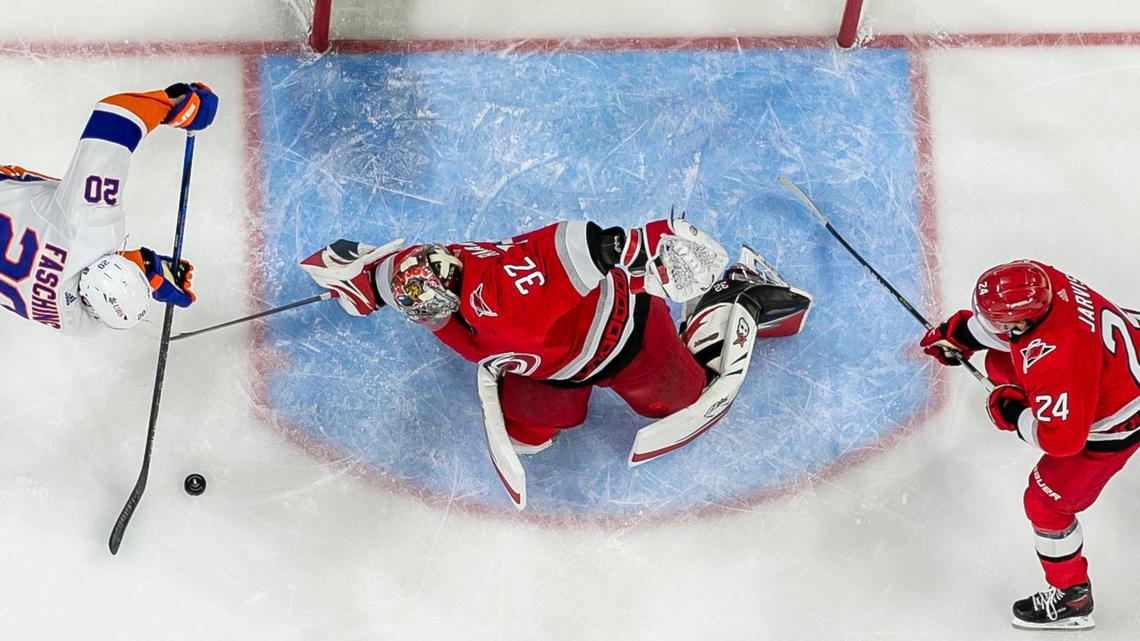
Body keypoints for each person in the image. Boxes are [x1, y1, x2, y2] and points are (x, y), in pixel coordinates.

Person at [300, 217, 812, 506]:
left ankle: (732, 294)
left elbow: (563, 254)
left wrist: (627, 245)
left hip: (622, 338)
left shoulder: (503, 295)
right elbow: (399, 276)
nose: (429, 317)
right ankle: (561, 399)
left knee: (674, 402)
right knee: (528, 435)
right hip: (551, 365)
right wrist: (364, 282)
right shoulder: (434, 273)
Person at [921, 259, 1140, 631]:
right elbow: (1014, 331)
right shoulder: (1040, 279)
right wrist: (958, 334)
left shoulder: (1056, 360)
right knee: (996, 362)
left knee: (1045, 504)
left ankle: (1072, 599)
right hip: (1123, 354)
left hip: (1118, 421)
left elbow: (1062, 440)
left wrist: (1014, 412)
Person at [0, 82, 217, 333]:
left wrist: (175, 104)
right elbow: (66, 273)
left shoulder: (91, 222)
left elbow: (115, 116)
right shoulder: (75, 324)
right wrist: (142, 270)